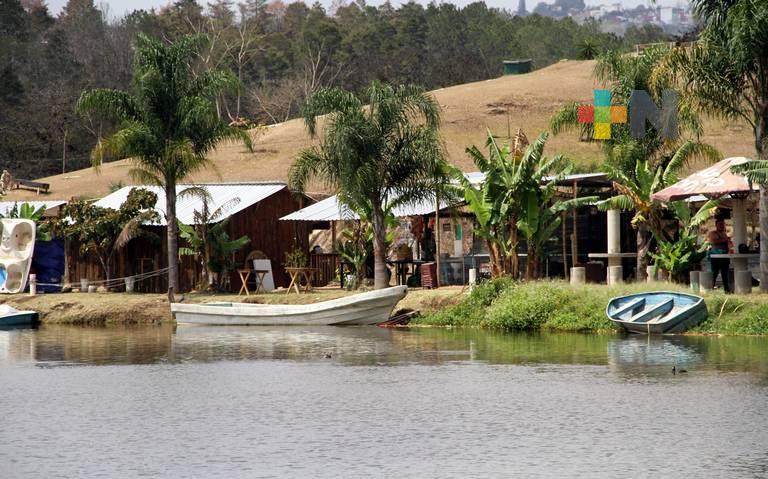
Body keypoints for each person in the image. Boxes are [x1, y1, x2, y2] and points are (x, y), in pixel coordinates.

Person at [708, 218, 731, 293]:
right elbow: (714, 240)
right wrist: (725, 240)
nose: (722, 226)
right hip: (715, 256)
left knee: (725, 274)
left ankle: (727, 290)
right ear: (716, 225)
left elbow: (729, 243)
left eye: (723, 224)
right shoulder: (713, 233)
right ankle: (710, 289)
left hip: (725, 256)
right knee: (714, 273)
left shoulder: (725, 234)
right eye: (720, 224)